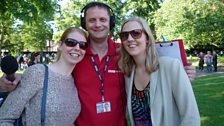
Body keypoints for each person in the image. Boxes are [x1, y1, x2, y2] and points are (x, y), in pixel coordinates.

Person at [0, 2, 196, 126]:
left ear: (110, 23)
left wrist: (184, 71)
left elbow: (155, 59)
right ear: (85, 23)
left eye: (103, 19)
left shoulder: (125, 51)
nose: (97, 24)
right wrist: (13, 82)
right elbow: (52, 75)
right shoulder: (76, 54)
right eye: (91, 20)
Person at [118, 17, 200, 126]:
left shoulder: (170, 66)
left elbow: (191, 116)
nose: (129, 38)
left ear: (147, 38)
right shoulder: (128, 74)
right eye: (124, 35)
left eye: (136, 33)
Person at [0, 27, 88, 125]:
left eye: (83, 45)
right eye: (71, 42)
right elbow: (4, 118)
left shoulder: (74, 81)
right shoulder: (38, 73)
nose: (77, 48)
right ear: (60, 45)